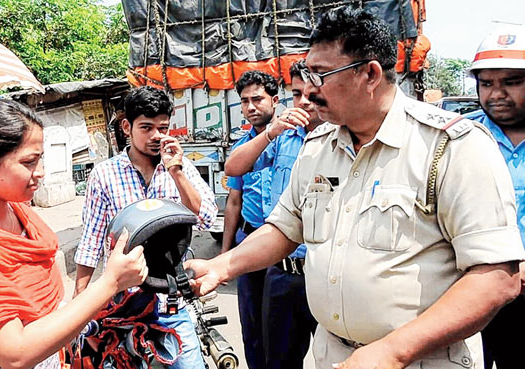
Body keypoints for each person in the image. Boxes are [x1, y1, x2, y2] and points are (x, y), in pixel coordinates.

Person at [186, 6, 524, 369]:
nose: (308, 93)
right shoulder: (318, 147)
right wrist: (222, 267)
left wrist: (395, 350)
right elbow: (283, 229)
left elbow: (497, 278)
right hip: (333, 355)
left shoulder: (451, 146)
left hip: (422, 360)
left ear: (370, 74)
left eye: (320, 76)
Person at [0, 99, 147, 369]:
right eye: (29, 162)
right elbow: (15, 354)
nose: (40, 172)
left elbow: (48, 303)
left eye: (40, 159)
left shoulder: (19, 212)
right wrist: (110, 282)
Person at [73, 86, 217, 369]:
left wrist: (176, 172)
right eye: (146, 127)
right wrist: (80, 305)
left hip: (171, 298)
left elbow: (206, 219)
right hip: (122, 302)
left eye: (162, 128)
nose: (155, 137)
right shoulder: (105, 175)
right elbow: (91, 242)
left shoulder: (179, 167)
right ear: (127, 126)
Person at [225, 60, 320, 369]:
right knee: (273, 354)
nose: (304, 101)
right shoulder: (281, 138)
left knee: (337, 356)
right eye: (297, 94)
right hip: (279, 267)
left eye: (311, 93)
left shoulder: (344, 139)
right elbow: (233, 170)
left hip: (324, 270)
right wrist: (271, 133)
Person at [464, 25, 525, 369]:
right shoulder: (460, 138)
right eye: (487, 84)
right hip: (471, 293)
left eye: (512, 82)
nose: (497, 93)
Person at [222, 70, 282, 369]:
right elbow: (234, 202)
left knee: (283, 328)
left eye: (257, 99)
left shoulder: (294, 139)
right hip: (249, 240)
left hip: (285, 248)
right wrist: (224, 256)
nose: (250, 107)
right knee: (252, 324)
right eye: (244, 101)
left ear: (275, 99)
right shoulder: (241, 148)